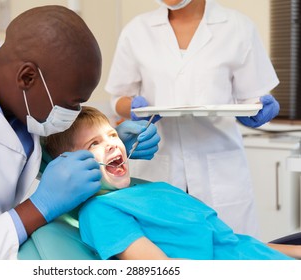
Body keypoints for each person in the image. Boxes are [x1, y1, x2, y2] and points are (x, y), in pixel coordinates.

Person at [0, 6, 160, 259]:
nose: (75, 112)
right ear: (27, 77)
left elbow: (22, 158)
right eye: (72, 103)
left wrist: (103, 147)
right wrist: (39, 208)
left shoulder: (19, 102)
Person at [104, 0, 281, 238]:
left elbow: (254, 98)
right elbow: (117, 98)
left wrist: (257, 110)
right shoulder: (137, 31)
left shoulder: (238, 27)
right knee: (167, 261)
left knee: (231, 258)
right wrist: (134, 108)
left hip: (221, 171)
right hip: (157, 165)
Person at [44, 106, 300, 260]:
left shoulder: (150, 190)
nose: (112, 143)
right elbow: (162, 270)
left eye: (111, 134)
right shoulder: (102, 211)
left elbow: (232, 242)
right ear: (70, 165)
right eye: (94, 143)